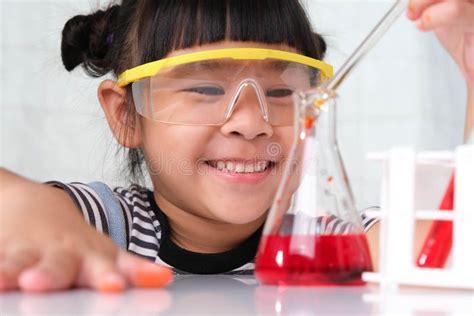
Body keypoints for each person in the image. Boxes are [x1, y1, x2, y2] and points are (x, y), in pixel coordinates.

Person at [0, 0, 473, 293]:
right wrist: (26, 204)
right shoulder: (101, 228)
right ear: (126, 114)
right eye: (205, 89)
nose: (250, 123)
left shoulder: (323, 238)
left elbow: (449, 248)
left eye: (282, 91)